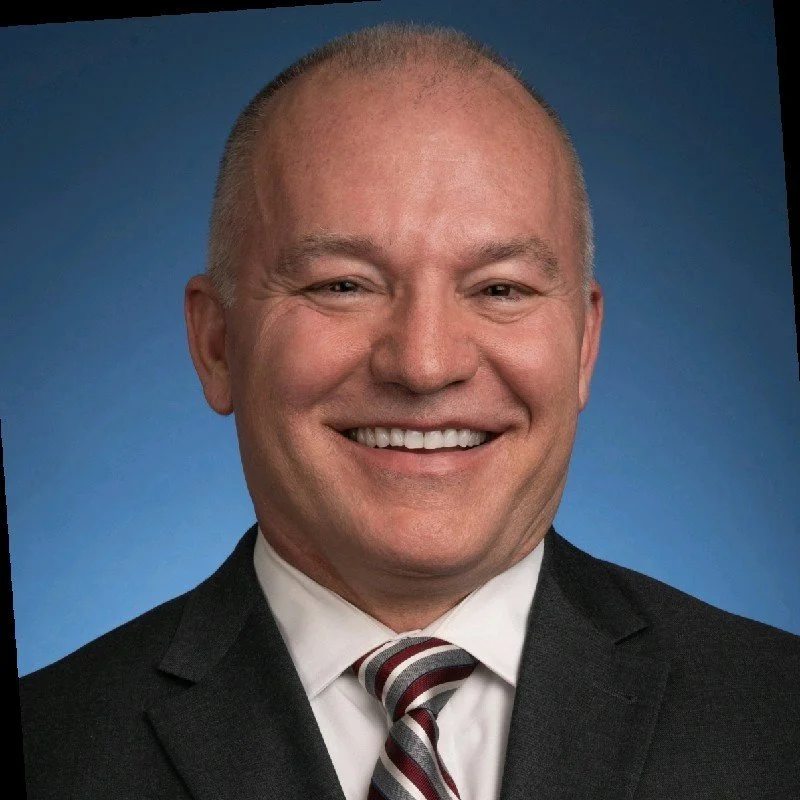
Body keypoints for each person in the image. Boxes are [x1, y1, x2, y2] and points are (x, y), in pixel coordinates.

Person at [18, 22, 800, 800]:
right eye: (342, 285)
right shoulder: (49, 748)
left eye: (500, 289)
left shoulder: (778, 718)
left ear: (584, 345)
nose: (425, 365)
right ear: (217, 343)